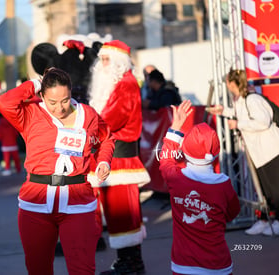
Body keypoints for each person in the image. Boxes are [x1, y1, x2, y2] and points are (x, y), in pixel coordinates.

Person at [0, 67, 115, 275]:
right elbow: (4, 102)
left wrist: (104, 161)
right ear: (42, 95)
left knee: (83, 269)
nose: (59, 108)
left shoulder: (87, 115)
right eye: (52, 102)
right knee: (38, 269)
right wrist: (34, 83)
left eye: (65, 100)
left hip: (78, 202)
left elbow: (106, 138)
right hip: (36, 202)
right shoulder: (30, 113)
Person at [88, 40, 151, 275]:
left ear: (118, 62)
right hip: (112, 159)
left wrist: (84, 128)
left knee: (123, 213)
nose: (102, 65)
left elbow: (111, 120)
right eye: (101, 59)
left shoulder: (125, 84)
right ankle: (127, 261)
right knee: (117, 214)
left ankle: (132, 264)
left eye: (106, 60)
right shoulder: (117, 84)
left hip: (120, 161)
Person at [159, 99, 240, 275]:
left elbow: (165, 158)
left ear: (185, 150)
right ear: (216, 153)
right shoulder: (223, 184)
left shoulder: (175, 178)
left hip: (183, 265)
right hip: (218, 265)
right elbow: (233, 213)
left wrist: (176, 126)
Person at [208, 68, 279, 236]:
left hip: (268, 147)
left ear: (232, 83)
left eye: (227, 83)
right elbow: (242, 115)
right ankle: (265, 219)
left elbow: (262, 122)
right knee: (262, 187)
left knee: (273, 186)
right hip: (258, 150)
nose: (227, 86)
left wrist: (238, 124)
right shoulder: (241, 100)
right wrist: (223, 111)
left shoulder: (252, 99)